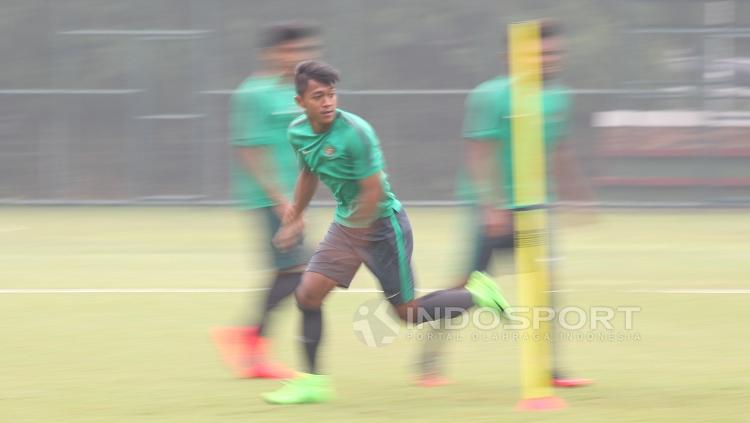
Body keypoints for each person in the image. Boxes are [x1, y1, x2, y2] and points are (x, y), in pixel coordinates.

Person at [262, 60, 511, 404]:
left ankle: (477, 293)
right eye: (318, 96)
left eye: (332, 94)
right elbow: (308, 170)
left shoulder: (355, 132)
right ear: (300, 102)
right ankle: (312, 383)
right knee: (308, 295)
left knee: (407, 313)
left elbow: (373, 191)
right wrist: (295, 217)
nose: (328, 102)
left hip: (382, 227)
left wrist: (358, 239)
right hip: (347, 224)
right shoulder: (297, 132)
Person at [417, 19, 594, 388]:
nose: (548, 58)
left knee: (543, 287)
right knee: (465, 286)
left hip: (532, 210)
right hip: (492, 212)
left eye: (553, 52)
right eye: (539, 52)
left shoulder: (558, 95)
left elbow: (559, 148)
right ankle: (428, 364)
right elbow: (479, 153)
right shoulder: (491, 95)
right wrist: (490, 206)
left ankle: (550, 370)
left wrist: (575, 193)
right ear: (513, 56)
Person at [212, 22, 321, 380]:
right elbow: (249, 151)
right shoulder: (253, 93)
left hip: (295, 200)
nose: (297, 58)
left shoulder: (299, 92)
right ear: (272, 54)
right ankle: (250, 341)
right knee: (297, 273)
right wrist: (280, 202)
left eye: (303, 51)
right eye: (289, 51)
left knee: (289, 272)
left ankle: (247, 341)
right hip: (270, 201)